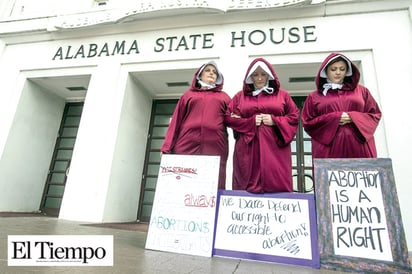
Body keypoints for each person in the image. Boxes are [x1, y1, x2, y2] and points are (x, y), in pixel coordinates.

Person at [226, 58, 299, 193]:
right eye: (255, 75)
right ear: (250, 77)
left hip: (275, 147)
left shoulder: (282, 95)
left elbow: (294, 116)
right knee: (245, 184)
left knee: (277, 183)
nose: (259, 78)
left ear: (269, 76)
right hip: (248, 147)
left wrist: (275, 121)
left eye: (263, 74)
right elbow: (228, 118)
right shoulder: (239, 97)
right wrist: (249, 122)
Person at [161, 61, 230, 189]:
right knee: (184, 179)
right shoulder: (187, 96)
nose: (211, 73)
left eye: (214, 72)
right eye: (208, 70)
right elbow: (176, 121)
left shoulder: (224, 97)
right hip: (186, 144)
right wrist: (166, 147)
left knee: (212, 181)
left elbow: (233, 119)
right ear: (199, 75)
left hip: (215, 145)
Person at [301, 52, 382, 158]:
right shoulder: (314, 96)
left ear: (347, 71)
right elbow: (307, 122)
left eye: (342, 69)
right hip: (328, 150)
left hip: (360, 147)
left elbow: (375, 114)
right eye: (333, 69)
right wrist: (334, 118)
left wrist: (353, 117)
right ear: (325, 71)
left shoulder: (362, 91)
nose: (338, 72)